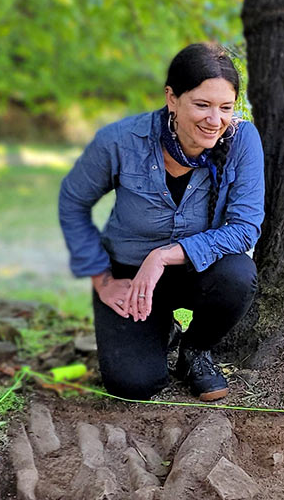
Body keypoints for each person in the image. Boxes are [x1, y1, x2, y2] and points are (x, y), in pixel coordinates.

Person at [59, 43, 264, 401]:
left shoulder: (243, 140)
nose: (214, 120)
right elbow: (73, 202)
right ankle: (156, 331)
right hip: (130, 275)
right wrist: (104, 281)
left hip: (197, 271)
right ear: (172, 98)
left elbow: (246, 227)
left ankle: (195, 351)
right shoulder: (120, 141)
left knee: (238, 275)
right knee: (134, 384)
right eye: (202, 105)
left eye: (225, 107)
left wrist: (165, 255)